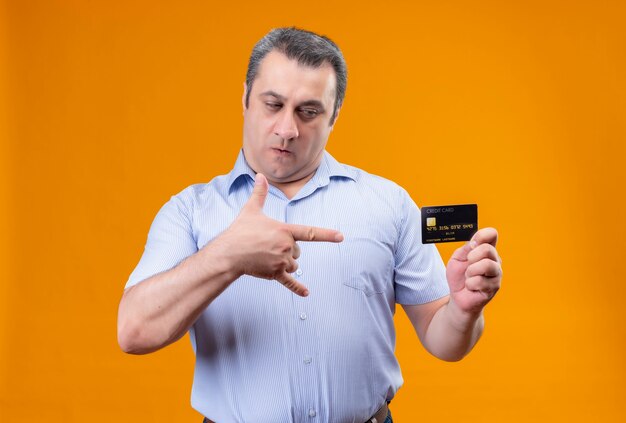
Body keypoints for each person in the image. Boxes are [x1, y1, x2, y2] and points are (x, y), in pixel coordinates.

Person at [117, 27, 503, 423]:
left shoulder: (388, 203)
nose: (287, 129)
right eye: (273, 104)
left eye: (308, 111)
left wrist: (463, 309)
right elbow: (134, 332)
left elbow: (445, 341)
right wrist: (228, 256)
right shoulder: (190, 211)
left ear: (334, 116)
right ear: (246, 98)